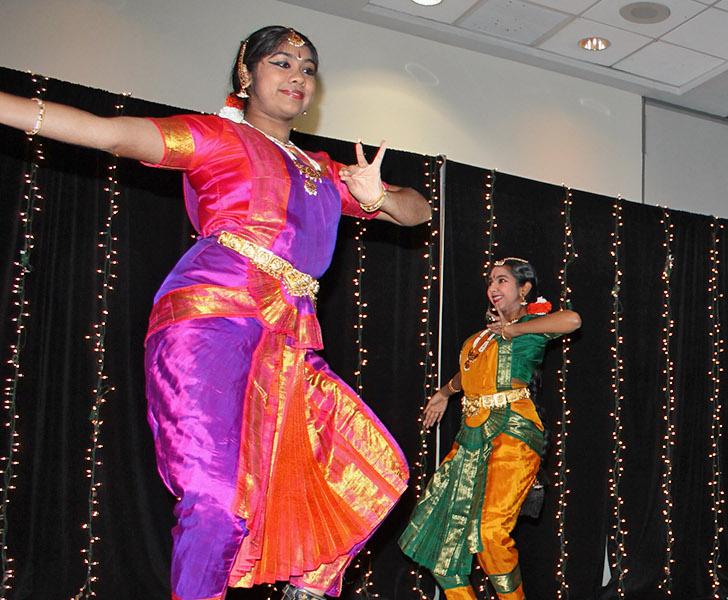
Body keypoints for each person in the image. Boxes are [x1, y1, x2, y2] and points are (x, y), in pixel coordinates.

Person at [1, 26, 432, 599]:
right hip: (211, 314)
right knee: (217, 496)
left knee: (370, 470)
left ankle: (306, 585)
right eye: (281, 63)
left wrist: (376, 195)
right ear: (245, 76)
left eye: (307, 68)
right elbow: (106, 135)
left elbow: (417, 211)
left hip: (287, 334)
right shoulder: (217, 137)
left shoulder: (326, 171)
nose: (297, 75)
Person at [400, 257, 580, 600]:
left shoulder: (534, 324)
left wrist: (516, 328)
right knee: (440, 541)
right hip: (470, 439)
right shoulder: (479, 339)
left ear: (524, 289)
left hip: (513, 432)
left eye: (503, 281)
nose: (493, 288)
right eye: (491, 282)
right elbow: (467, 377)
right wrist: (443, 393)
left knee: (489, 531)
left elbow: (573, 320)